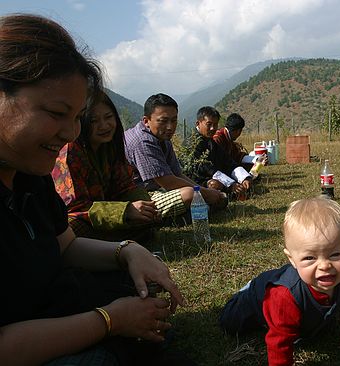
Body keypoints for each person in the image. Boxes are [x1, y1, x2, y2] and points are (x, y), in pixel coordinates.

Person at [0, 13, 193, 366]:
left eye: (76, 117)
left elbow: (66, 246)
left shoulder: (30, 174)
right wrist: (110, 320)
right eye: (57, 113)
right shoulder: (56, 158)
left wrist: (127, 251)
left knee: (139, 292)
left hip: (50, 307)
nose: (71, 132)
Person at [219, 197, 340, 365]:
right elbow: (279, 343)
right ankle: (248, 289)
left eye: (336, 254)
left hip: (287, 298)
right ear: (292, 259)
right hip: (254, 300)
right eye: (310, 257)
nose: (325, 265)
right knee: (230, 325)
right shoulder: (283, 296)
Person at [52, 90, 161, 242]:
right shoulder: (71, 152)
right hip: (79, 218)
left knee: (145, 218)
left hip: (107, 214)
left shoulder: (111, 146)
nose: (104, 126)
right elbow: (76, 208)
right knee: (73, 229)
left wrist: (146, 207)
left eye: (108, 117)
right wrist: (124, 211)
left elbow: (126, 186)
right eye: (93, 121)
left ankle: (107, 242)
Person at [124, 94, 226, 220]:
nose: (170, 127)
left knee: (195, 194)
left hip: (157, 188)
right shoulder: (142, 141)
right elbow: (167, 181)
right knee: (189, 194)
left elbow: (177, 174)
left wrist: (203, 192)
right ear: (146, 121)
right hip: (137, 196)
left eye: (174, 120)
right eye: (163, 121)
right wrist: (205, 194)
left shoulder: (162, 137)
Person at [191, 106, 252, 197]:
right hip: (197, 181)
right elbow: (207, 169)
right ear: (198, 123)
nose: (212, 128)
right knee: (214, 184)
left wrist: (244, 178)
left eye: (215, 125)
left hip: (216, 174)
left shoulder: (210, 140)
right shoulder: (192, 143)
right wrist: (231, 185)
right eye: (209, 124)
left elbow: (227, 160)